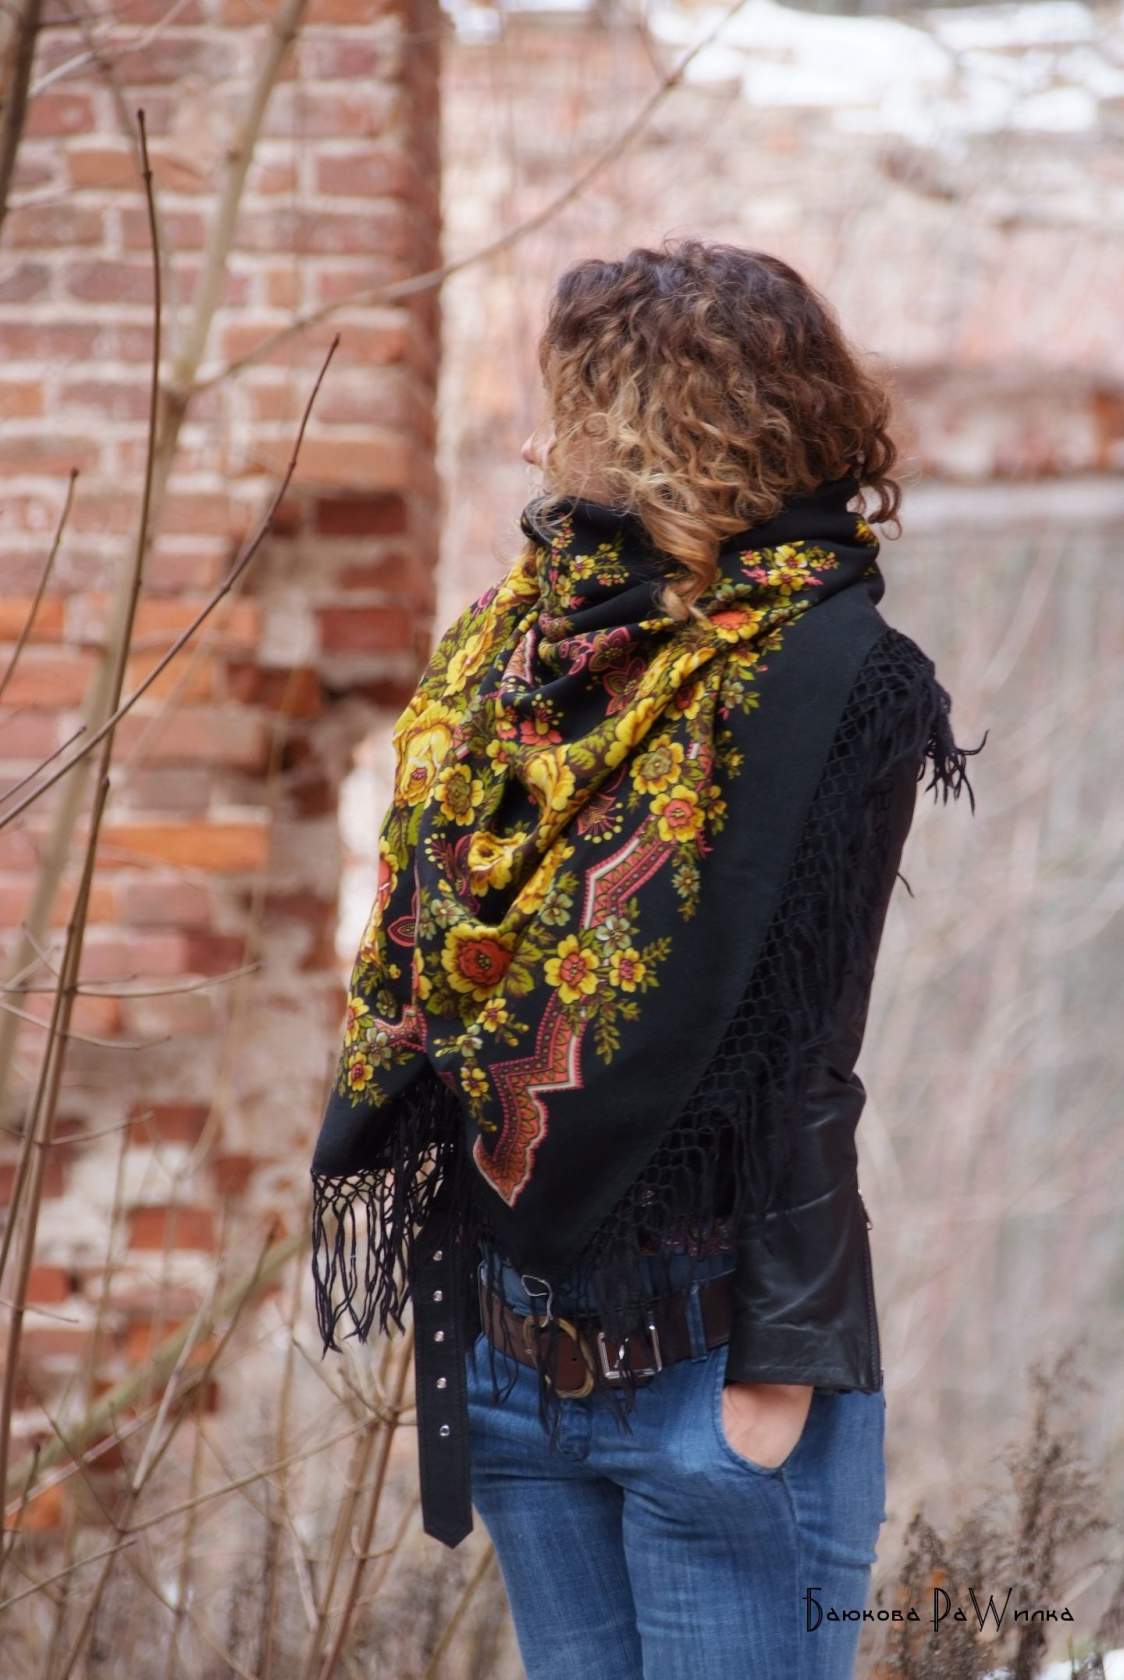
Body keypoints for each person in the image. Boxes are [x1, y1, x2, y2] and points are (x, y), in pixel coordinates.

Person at [308, 238, 986, 1680]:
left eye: (571, 411)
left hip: (712, 1366)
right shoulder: (513, 654)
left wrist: (779, 1371)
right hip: (511, 1357)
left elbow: (806, 1049)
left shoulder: (831, 680)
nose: (536, 445)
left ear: (668, 438)